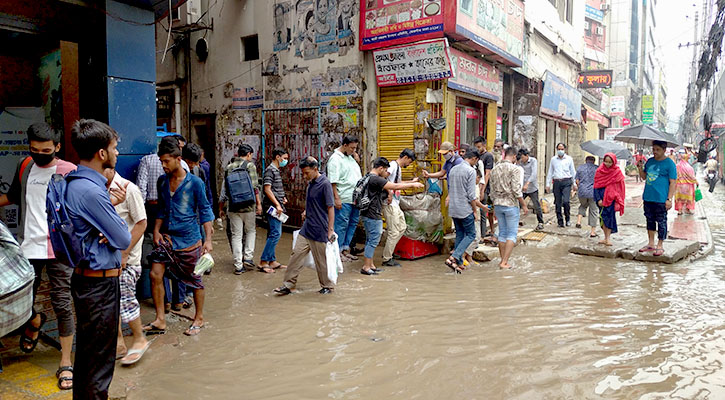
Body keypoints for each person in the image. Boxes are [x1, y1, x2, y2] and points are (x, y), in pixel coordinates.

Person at [0, 123, 76, 390]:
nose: (40, 154)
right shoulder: (25, 165)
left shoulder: (69, 171)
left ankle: (65, 362)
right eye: (34, 150)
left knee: (62, 302)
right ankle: (35, 320)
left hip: (59, 250)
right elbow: (12, 197)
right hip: (28, 247)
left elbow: (81, 208)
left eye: (46, 150)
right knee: (19, 301)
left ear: (57, 147)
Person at [65, 119, 132, 399]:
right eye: (114, 148)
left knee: (88, 357)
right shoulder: (92, 191)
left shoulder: (78, 183)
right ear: (102, 154)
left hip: (87, 282)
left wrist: (107, 220)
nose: (117, 153)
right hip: (98, 287)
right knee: (99, 365)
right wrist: (111, 224)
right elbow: (123, 239)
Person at [145, 137, 215, 337]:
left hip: (190, 240)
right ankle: (160, 320)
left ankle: (199, 318)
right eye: (161, 161)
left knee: (196, 279)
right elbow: (161, 209)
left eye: (167, 161)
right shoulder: (162, 181)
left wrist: (208, 240)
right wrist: (157, 230)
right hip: (167, 239)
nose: (163, 165)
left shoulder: (195, 183)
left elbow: (205, 211)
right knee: (155, 274)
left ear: (178, 159)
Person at [104, 168, 150, 366]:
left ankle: (139, 338)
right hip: (107, 259)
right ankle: (119, 343)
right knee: (111, 302)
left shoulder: (129, 189)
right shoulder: (99, 189)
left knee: (126, 298)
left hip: (127, 260)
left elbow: (141, 223)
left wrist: (124, 253)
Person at [274, 157, 336, 295]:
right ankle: (288, 284)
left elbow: (330, 207)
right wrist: (306, 211)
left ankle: (327, 286)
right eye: (303, 173)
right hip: (307, 228)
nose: (304, 176)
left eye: (306, 173)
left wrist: (330, 230)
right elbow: (313, 202)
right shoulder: (311, 184)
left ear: (315, 169)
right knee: (296, 255)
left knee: (321, 261)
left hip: (320, 228)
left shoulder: (325, 184)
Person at [360, 157, 424, 275]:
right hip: (372, 213)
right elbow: (394, 186)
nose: (387, 174)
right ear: (380, 168)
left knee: (371, 239)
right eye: (385, 171)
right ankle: (366, 266)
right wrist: (413, 184)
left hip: (369, 212)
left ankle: (371, 265)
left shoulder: (369, 177)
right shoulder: (376, 179)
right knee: (373, 241)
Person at [219, 144, 263, 274]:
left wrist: (222, 207)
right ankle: (248, 258)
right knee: (250, 231)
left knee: (236, 235)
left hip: (233, 206)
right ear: (248, 154)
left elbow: (226, 189)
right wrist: (259, 204)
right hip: (249, 206)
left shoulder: (229, 167)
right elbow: (255, 187)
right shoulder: (250, 166)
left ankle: (238, 265)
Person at [445, 150, 487, 273]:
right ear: (474, 159)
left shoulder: (453, 169)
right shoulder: (470, 171)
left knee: (460, 234)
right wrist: (474, 210)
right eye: (476, 161)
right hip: (465, 208)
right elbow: (471, 195)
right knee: (471, 234)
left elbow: (451, 189)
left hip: (454, 208)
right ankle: (454, 257)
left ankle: (457, 264)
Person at [637, 140, 677, 256]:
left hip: (661, 198)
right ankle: (651, 243)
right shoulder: (649, 162)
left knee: (661, 221)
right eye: (654, 149)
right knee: (649, 220)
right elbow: (644, 177)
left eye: (658, 150)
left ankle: (660, 245)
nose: (655, 152)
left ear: (664, 150)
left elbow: (673, 183)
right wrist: (640, 168)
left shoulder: (670, 164)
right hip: (648, 197)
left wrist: (669, 199)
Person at [490, 147, 528, 269]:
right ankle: (504, 262)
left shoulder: (495, 169)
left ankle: (502, 260)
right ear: (514, 156)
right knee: (511, 234)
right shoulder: (515, 169)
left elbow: (491, 190)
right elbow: (516, 190)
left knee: (502, 233)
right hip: (511, 205)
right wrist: (524, 204)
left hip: (498, 204)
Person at [327, 136, 362, 262]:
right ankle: (337, 251)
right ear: (345, 145)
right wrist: (336, 198)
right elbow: (333, 181)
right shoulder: (335, 159)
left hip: (355, 198)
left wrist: (356, 159)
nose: (354, 150)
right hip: (344, 197)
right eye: (352, 148)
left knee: (352, 224)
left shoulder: (350, 157)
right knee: (341, 225)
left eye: (355, 148)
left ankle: (345, 249)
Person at [382, 149, 419, 267]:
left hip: (395, 203)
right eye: (410, 161)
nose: (409, 164)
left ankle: (389, 251)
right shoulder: (393, 165)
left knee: (402, 227)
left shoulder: (397, 168)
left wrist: (411, 182)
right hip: (389, 203)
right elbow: (383, 178)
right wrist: (389, 192)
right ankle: (387, 258)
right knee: (394, 231)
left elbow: (397, 182)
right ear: (406, 158)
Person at [259, 147, 289, 273]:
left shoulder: (275, 170)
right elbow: (267, 189)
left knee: (272, 233)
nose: (285, 161)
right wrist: (277, 204)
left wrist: (282, 198)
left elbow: (274, 189)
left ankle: (272, 260)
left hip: (276, 205)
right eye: (285, 158)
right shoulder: (270, 170)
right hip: (272, 207)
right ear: (278, 157)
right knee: (276, 233)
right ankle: (263, 261)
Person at [593, 153, 625, 247]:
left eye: (610, 162)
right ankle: (605, 237)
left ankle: (608, 238)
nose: (607, 164)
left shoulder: (617, 172)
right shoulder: (599, 171)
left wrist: (618, 198)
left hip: (611, 199)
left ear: (614, 162)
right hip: (601, 198)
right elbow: (596, 186)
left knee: (610, 218)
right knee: (602, 218)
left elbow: (620, 187)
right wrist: (598, 199)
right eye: (606, 161)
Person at [546, 143, 577, 227]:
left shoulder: (569, 159)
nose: (560, 151)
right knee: (558, 203)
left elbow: (573, 171)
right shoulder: (553, 160)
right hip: (556, 182)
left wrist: (574, 183)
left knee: (566, 201)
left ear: (565, 150)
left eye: (562, 149)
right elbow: (550, 172)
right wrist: (547, 184)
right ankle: (560, 221)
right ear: (556, 150)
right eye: (559, 149)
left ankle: (568, 219)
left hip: (567, 181)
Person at [517, 148, 544, 231]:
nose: (522, 159)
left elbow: (534, 173)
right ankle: (515, 221)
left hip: (532, 187)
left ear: (527, 156)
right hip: (522, 188)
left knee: (536, 205)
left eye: (523, 157)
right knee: (518, 205)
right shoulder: (519, 163)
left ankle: (540, 222)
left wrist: (527, 183)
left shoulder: (533, 161)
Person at [473, 137, 495, 237]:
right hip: (478, 187)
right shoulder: (477, 156)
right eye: (476, 147)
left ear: (484, 146)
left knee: (482, 210)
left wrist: (483, 189)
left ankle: (482, 234)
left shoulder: (488, 156)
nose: (477, 149)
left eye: (479, 147)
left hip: (485, 187)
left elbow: (487, 174)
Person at [575, 156, 600, 238]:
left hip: (582, 192)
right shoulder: (598, 169)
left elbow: (577, 181)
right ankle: (592, 232)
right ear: (594, 161)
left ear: (585, 160)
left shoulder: (580, 168)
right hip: (593, 192)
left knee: (583, 205)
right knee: (593, 211)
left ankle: (578, 222)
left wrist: (581, 187)